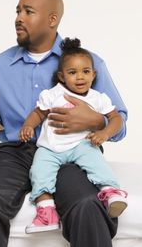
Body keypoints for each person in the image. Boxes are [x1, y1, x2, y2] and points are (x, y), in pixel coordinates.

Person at [0, 0, 127, 247]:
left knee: (87, 205)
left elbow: (119, 122)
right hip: (15, 152)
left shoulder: (86, 64)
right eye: (17, 11)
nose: (18, 18)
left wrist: (95, 121)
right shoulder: (0, 65)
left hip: (71, 150)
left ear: (52, 19)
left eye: (28, 11)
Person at [19, 37, 128, 234]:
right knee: (39, 172)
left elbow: (117, 119)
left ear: (94, 74)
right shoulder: (53, 94)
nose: (80, 77)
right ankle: (46, 211)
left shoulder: (98, 98)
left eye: (85, 72)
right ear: (61, 76)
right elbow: (38, 113)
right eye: (72, 72)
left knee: (96, 161)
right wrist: (28, 125)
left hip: (81, 144)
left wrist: (104, 132)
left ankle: (110, 191)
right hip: (51, 147)